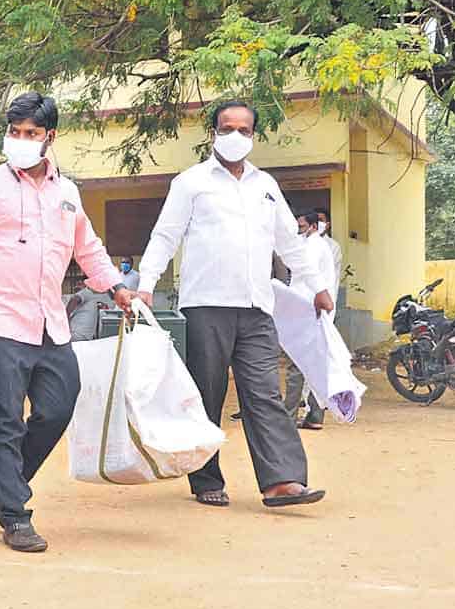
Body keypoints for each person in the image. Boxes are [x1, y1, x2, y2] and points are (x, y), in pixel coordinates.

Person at [0, 91, 134, 552]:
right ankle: (16, 515)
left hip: (51, 322)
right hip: (0, 321)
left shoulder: (67, 193)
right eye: (14, 132)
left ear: (49, 137)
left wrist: (117, 288)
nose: (20, 140)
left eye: (31, 134)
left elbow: (88, 249)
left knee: (59, 405)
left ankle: (5, 478)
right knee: (6, 421)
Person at [137, 100, 331, 509]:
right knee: (207, 395)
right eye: (227, 128)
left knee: (264, 394)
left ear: (254, 136)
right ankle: (206, 479)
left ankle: (282, 480)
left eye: (244, 130)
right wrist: (146, 284)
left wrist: (315, 286)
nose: (235, 136)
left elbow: (289, 244)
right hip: (205, 305)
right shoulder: (190, 183)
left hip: (258, 308)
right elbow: (165, 236)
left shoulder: (266, 186)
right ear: (213, 133)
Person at [282, 211, 336, 430]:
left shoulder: (313, 246)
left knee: (297, 364)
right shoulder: (314, 244)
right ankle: (315, 415)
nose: (298, 229)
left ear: (314, 226)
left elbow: (308, 277)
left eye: (302, 225)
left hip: (309, 309)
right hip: (312, 309)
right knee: (313, 364)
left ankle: (289, 415)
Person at [315, 207, 343, 300]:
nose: (318, 224)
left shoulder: (333, 246)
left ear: (327, 224)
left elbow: (326, 270)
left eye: (320, 220)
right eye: (315, 220)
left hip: (326, 295)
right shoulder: (303, 242)